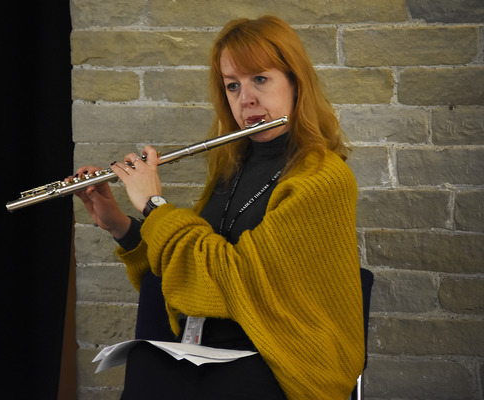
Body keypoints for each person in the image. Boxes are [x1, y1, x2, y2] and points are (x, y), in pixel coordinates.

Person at [70, 16, 364, 400]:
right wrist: (122, 227)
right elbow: (187, 278)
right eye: (232, 85)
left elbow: (232, 280)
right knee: (146, 371)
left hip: (286, 362)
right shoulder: (232, 168)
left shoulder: (323, 179)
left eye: (260, 78)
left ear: (295, 82)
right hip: (210, 351)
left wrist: (155, 205)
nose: (247, 98)